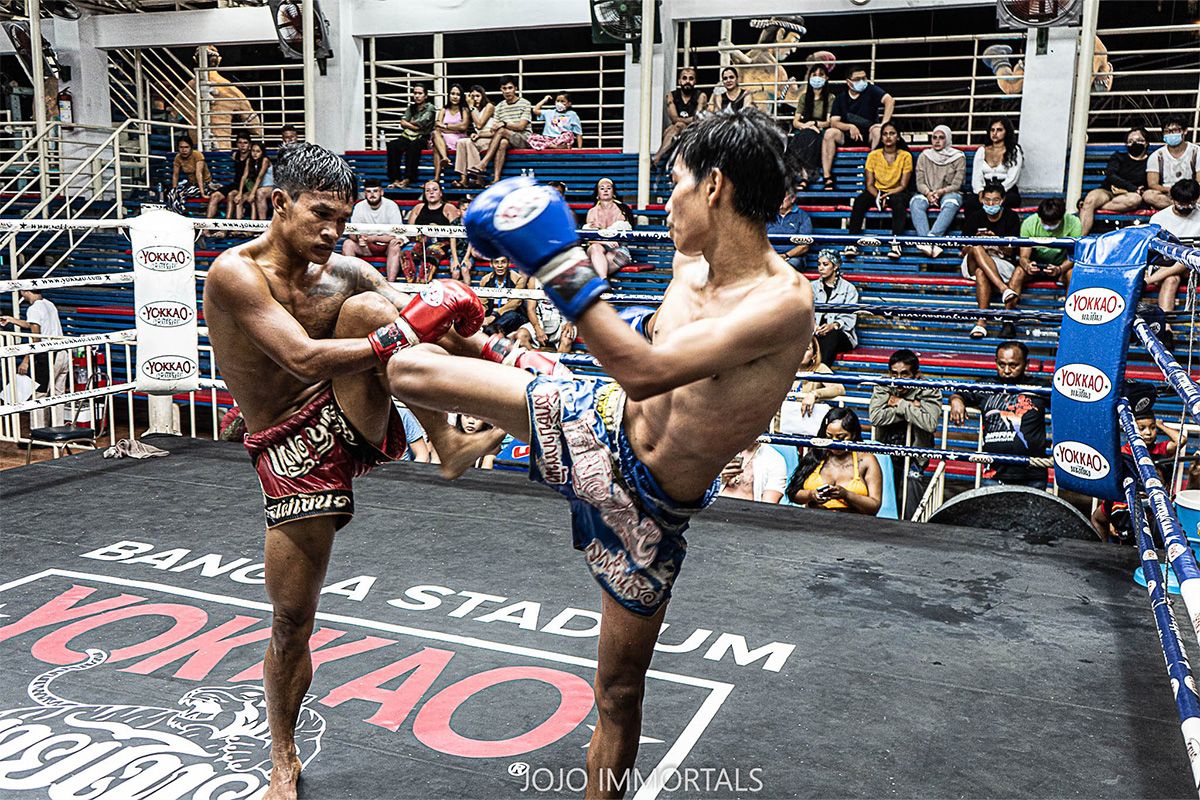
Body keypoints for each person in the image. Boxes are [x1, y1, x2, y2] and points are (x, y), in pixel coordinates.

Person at [382, 108, 812, 792]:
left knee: (617, 696)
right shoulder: (687, 261)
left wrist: (559, 264)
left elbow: (645, 369)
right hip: (596, 422)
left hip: (647, 508)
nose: (662, 201)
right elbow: (634, 368)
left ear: (714, 188)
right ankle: (464, 436)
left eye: (674, 182)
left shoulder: (782, 303)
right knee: (410, 367)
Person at [201, 142, 501, 800]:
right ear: (279, 203)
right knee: (290, 621)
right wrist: (404, 332)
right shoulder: (234, 273)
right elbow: (303, 358)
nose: (333, 232)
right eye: (320, 215)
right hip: (289, 451)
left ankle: (450, 441)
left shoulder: (346, 274)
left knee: (376, 311)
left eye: (342, 219)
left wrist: (499, 345)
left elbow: (426, 321)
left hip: (356, 411)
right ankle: (282, 754)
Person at [949, 340, 1048, 489]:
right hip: (994, 473)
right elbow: (959, 394)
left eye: (1013, 365)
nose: (1007, 370)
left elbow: (1066, 409)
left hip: (1032, 474)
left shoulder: (1040, 387)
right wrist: (956, 400)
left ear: (1026, 364)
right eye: (1002, 364)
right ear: (995, 362)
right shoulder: (985, 386)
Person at [868, 349, 941, 519]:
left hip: (915, 452)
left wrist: (900, 404)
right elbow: (876, 417)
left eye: (904, 374)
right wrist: (912, 407)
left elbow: (929, 423)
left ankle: (911, 527)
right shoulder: (884, 384)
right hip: (886, 448)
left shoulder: (929, 388)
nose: (898, 380)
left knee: (912, 483)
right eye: (894, 374)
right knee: (883, 487)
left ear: (916, 375)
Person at [786, 407, 882, 514]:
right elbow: (793, 493)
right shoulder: (817, 454)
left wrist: (847, 495)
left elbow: (874, 506)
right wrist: (811, 495)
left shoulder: (866, 460)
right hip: (814, 519)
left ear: (853, 434)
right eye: (829, 437)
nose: (834, 442)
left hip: (853, 523)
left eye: (841, 437)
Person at [959, 179, 1022, 339]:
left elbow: (1011, 251)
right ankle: (1003, 289)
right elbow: (963, 250)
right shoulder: (974, 217)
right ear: (981, 199)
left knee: (981, 272)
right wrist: (979, 240)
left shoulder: (1011, 217)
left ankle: (981, 323)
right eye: (987, 200)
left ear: (1002, 200)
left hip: (1001, 263)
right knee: (976, 245)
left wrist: (997, 241)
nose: (991, 203)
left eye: (995, 200)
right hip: (972, 262)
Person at [1006, 197, 1081, 329]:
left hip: (1060, 268)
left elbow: (1074, 257)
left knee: (1073, 273)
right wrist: (1027, 266)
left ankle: (1070, 321)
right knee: (1018, 272)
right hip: (1035, 268)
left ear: (1061, 218)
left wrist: (1059, 269)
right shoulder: (1029, 223)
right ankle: (1008, 319)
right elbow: (1023, 256)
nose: (1048, 226)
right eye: (1045, 222)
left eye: (1052, 223)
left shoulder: (1074, 223)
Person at [844, 121, 912, 259]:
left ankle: (895, 243)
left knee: (899, 204)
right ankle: (852, 243)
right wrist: (879, 197)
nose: (888, 137)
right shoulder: (873, 155)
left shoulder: (905, 156)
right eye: (885, 134)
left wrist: (887, 195)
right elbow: (869, 184)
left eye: (892, 134)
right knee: (859, 201)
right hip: (876, 191)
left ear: (898, 137)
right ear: (881, 138)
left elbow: (903, 185)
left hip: (896, 192)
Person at [0, 287, 68, 425]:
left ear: (24, 291)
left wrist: (26, 361)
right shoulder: (49, 304)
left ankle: (38, 432)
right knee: (58, 395)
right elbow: (32, 324)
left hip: (49, 355)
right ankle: (59, 429)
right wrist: (12, 320)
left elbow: (35, 338)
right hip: (62, 352)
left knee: (38, 394)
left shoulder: (33, 309)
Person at [821, 64, 894, 190]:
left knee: (878, 131)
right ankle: (827, 177)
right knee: (829, 133)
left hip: (869, 136)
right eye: (858, 79)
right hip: (847, 136)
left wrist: (884, 124)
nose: (862, 82)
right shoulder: (840, 99)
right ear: (849, 82)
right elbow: (834, 122)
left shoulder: (871, 90)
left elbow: (889, 100)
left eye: (864, 78)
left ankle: (873, 174)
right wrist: (850, 126)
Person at [1078, 125, 1151, 235]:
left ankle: (1095, 207)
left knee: (1135, 199)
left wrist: (1130, 190)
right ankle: (1079, 240)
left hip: (1128, 196)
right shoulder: (1118, 157)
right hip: (1108, 191)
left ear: (1146, 143)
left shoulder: (1150, 161)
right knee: (1090, 201)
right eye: (1130, 141)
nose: (1134, 143)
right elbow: (1111, 175)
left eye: (1139, 140)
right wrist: (1132, 187)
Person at [1145, 180, 1200, 321]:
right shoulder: (1159, 219)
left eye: (1190, 203)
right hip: (1165, 266)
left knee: (1187, 256)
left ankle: (1148, 281)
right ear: (1173, 199)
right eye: (1182, 203)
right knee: (1171, 279)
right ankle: (1166, 327)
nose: (1186, 207)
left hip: (1192, 268)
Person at [910, 125, 967, 252]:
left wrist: (941, 192)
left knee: (951, 203)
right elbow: (920, 183)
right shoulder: (924, 156)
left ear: (947, 139)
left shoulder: (958, 157)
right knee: (916, 203)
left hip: (949, 192)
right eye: (934, 137)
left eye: (941, 138)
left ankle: (931, 238)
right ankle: (927, 243)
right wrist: (928, 193)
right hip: (927, 192)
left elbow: (956, 185)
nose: (937, 141)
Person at [342, 178, 406, 282]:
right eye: (368, 191)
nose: (372, 194)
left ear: (381, 192)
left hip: (386, 246)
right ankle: (352, 282)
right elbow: (352, 233)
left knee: (395, 245)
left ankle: (391, 283)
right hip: (366, 246)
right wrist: (359, 238)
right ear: (365, 193)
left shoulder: (391, 205)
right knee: (348, 244)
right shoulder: (359, 206)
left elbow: (397, 234)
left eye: (375, 191)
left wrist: (373, 238)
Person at [784, 62, 835, 190]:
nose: (817, 77)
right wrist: (806, 125)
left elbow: (829, 122)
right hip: (806, 130)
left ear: (826, 78)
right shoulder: (804, 98)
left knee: (809, 137)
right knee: (803, 137)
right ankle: (804, 176)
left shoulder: (830, 98)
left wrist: (815, 124)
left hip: (820, 131)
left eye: (821, 75)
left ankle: (805, 178)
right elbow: (796, 122)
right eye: (814, 74)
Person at [478, 75, 532, 185]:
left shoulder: (525, 103)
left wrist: (504, 124)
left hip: (524, 138)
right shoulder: (499, 107)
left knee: (502, 131)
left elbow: (521, 126)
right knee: (503, 142)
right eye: (504, 88)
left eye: (510, 88)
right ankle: (496, 179)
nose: (507, 91)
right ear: (501, 89)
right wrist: (479, 135)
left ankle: (484, 163)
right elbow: (494, 130)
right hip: (507, 138)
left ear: (515, 88)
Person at [404, 180, 461, 283]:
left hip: (441, 243)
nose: (431, 192)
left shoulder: (449, 208)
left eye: (434, 190)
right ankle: (411, 283)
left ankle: (422, 282)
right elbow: (409, 230)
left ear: (440, 193)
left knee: (432, 250)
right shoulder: (418, 208)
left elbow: (455, 233)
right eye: (427, 190)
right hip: (420, 240)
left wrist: (455, 258)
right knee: (407, 251)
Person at [963, 117, 1023, 217]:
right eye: (992, 130)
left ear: (1006, 132)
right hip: (985, 189)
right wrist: (980, 192)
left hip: (1006, 190)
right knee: (971, 203)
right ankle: (975, 231)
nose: (995, 133)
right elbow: (976, 177)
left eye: (999, 130)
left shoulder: (1014, 151)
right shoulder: (982, 151)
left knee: (1007, 202)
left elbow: (1012, 178)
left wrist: (997, 193)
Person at [810, 248, 858, 365]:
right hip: (815, 333)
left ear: (835, 266)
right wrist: (814, 327)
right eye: (819, 264)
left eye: (825, 264)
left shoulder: (849, 289)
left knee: (831, 336)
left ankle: (820, 376)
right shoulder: (812, 287)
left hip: (840, 335)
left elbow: (849, 318)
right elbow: (806, 312)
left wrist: (833, 325)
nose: (821, 268)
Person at [653, 67, 708, 167]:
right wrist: (688, 120)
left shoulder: (701, 96)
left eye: (691, 79)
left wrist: (682, 122)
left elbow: (697, 120)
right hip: (676, 132)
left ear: (695, 81)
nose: (687, 81)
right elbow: (673, 118)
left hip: (694, 132)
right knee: (676, 127)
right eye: (684, 78)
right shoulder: (671, 95)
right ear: (679, 81)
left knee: (678, 125)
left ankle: (657, 157)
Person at [584, 177, 636, 278]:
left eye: (609, 188)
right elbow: (590, 239)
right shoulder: (592, 212)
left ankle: (601, 281)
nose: (606, 190)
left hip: (618, 250)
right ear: (597, 193)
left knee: (599, 264)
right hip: (597, 249)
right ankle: (603, 281)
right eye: (602, 188)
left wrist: (602, 235)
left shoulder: (622, 210)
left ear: (613, 192)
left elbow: (624, 235)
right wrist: (605, 242)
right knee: (595, 247)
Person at [386, 83, 435, 189]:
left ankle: (407, 179)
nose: (417, 96)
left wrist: (411, 124)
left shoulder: (430, 108)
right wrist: (415, 126)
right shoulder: (411, 107)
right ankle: (395, 179)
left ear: (425, 96)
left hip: (422, 137)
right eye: (415, 93)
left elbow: (422, 122)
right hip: (407, 136)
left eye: (420, 93)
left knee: (413, 146)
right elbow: (402, 122)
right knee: (392, 145)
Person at [1144, 119, 1200, 211]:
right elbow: (1152, 184)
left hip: (1191, 193)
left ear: (1185, 131)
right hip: (1168, 194)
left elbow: (1199, 181)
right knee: (1148, 195)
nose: (1171, 134)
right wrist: (1171, 190)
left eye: (1175, 130)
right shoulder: (1157, 155)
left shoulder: (1197, 152)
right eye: (1167, 131)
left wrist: (1187, 192)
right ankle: (1184, 206)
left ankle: (1181, 206)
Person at [516, 275, 577, 354]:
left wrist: (570, 322)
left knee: (567, 338)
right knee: (521, 336)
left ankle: (557, 365)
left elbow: (575, 303)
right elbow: (531, 309)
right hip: (540, 320)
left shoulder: (567, 276)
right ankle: (537, 360)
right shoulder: (534, 280)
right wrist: (537, 328)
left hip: (563, 320)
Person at [205, 131, 251, 235]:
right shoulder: (236, 155)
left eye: (245, 143)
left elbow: (246, 177)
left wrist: (240, 192)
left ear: (249, 145)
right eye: (240, 143)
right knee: (214, 196)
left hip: (246, 186)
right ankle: (206, 229)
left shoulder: (251, 157)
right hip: (235, 183)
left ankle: (225, 229)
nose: (242, 145)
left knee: (231, 195)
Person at [454, 86, 498, 188]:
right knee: (461, 142)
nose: (475, 99)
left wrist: (471, 107)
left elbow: (479, 125)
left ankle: (478, 177)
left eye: (478, 96)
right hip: (480, 138)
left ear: (483, 96)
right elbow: (473, 129)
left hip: (490, 138)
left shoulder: (489, 106)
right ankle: (463, 178)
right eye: (472, 96)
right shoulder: (473, 110)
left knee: (469, 142)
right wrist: (474, 134)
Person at [792, 335, 845, 419]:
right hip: (778, 426)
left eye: (806, 349)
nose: (800, 352)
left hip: (806, 424)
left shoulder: (820, 368)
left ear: (814, 355)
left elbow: (839, 389)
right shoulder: (783, 370)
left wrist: (814, 394)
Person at [719, 442, 788, 504]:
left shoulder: (775, 459)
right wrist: (716, 477)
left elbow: (768, 506)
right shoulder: (718, 450)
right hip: (713, 508)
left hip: (748, 513)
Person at [478, 255, 528, 336]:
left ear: (509, 263)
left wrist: (495, 315)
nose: (500, 266)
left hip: (512, 317)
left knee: (511, 315)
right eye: (496, 262)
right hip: (491, 317)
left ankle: (489, 331)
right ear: (491, 264)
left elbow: (515, 302)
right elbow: (483, 304)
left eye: (503, 262)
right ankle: (490, 330)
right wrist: (482, 319)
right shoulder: (485, 280)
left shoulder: (518, 279)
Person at [766, 186, 813, 269]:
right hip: (770, 255)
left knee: (787, 266)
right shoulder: (768, 215)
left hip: (792, 257)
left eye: (782, 197)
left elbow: (804, 246)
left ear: (793, 199)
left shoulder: (802, 216)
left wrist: (785, 255)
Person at [431, 83, 469, 184]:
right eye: (452, 94)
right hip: (444, 140)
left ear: (461, 96)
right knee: (435, 134)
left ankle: (437, 177)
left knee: (436, 145)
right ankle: (445, 158)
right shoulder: (444, 109)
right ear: (449, 95)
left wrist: (445, 126)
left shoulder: (464, 110)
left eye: (457, 94)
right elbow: (437, 125)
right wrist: (455, 128)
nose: (455, 97)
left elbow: (463, 127)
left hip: (458, 140)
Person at [234, 141, 269, 221]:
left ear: (262, 152)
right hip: (257, 188)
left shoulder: (265, 160)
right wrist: (240, 193)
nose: (255, 154)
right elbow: (244, 177)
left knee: (255, 196)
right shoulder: (249, 160)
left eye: (258, 151)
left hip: (269, 187)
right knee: (239, 200)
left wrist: (252, 193)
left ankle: (259, 226)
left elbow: (259, 177)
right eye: (253, 151)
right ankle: (238, 228)